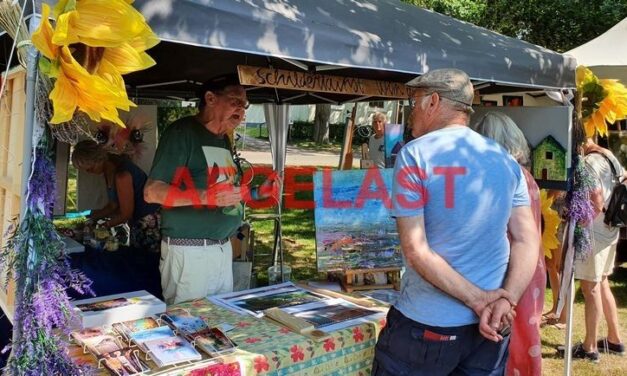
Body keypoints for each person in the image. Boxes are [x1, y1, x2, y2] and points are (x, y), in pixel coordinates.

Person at [372, 68, 539, 376]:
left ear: (433, 101)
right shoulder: (503, 158)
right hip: (490, 326)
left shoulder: (415, 155)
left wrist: (482, 301)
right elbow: (527, 239)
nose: (411, 113)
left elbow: (415, 249)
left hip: (428, 325)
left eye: (414, 101)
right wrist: (505, 300)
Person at [144, 74, 278, 305]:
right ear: (210, 98)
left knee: (219, 322)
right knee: (190, 327)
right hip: (190, 253)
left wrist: (257, 193)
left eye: (244, 105)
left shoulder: (223, 139)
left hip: (222, 249)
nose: (241, 110)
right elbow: (152, 192)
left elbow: (226, 194)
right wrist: (206, 196)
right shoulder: (182, 133)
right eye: (235, 101)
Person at [475, 112, 545, 376]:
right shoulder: (525, 175)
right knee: (525, 330)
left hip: (508, 269)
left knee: (504, 331)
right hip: (530, 266)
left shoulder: (502, 177)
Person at [568, 137, 625, 362]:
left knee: (589, 288)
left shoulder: (589, 162)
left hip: (595, 231)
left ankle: (589, 347)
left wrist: (580, 226)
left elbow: (596, 200)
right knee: (601, 282)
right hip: (611, 228)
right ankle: (614, 339)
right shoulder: (608, 156)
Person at [72, 140, 161, 252]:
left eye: (90, 168)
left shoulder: (122, 175)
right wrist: (90, 218)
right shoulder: (109, 168)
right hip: (139, 220)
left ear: (98, 160)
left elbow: (126, 213)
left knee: (145, 261)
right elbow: (113, 205)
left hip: (148, 223)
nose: (88, 172)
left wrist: (101, 227)